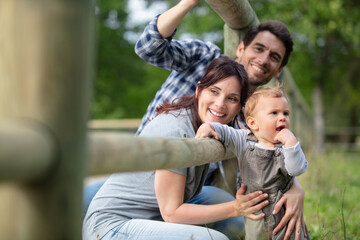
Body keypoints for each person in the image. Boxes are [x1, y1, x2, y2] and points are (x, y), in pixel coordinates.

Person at [133, 1, 305, 239]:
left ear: (278, 70)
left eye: (274, 57)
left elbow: (269, 157)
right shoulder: (204, 57)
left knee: (236, 224)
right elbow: (147, 48)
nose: (264, 59)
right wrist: (188, 2)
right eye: (258, 48)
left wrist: (296, 187)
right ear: (241, 48)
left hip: (188, 194)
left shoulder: (255, 116)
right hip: (141, 175)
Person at [83, 57, 270, 240]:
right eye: (214, 91)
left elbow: (263, 140)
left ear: (239, 107)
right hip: (110, 227)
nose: (220, 103)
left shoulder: (216, 127)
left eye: (232, 98)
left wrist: (293, 186)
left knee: (224, 209)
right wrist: (236, 208)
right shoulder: (175, 128)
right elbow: (171, 213)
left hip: (149, 220)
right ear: (199, 90)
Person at [196, 85, 309, 239]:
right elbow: (225, 131)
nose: (282, 117)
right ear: (253, 123)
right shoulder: (243, 140)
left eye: (286, 113)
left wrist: (291, 142)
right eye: (274, 113)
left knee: (291, 235)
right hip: (255, 211)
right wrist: (208, 126)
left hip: (282, 211)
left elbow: (296, 169)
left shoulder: (288, 146)